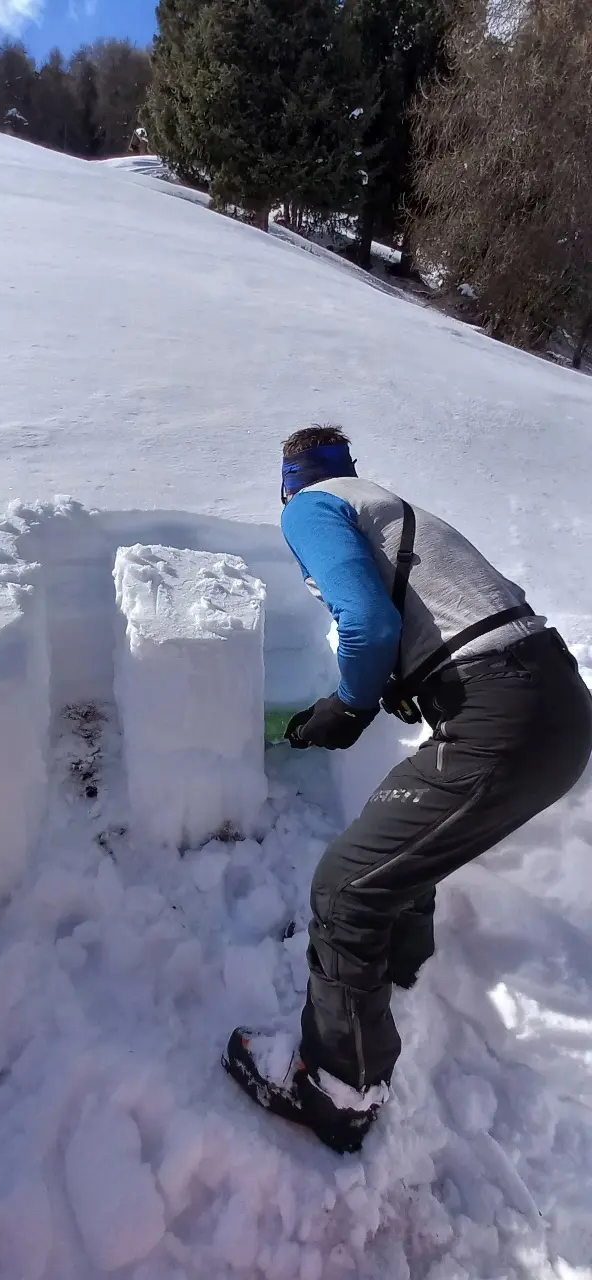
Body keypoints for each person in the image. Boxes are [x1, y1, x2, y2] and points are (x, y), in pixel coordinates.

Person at [223, 425, 592, 1154]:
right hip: (554, 700)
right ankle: (398, 966)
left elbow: (365, 621)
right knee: (394, 838)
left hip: (502, 713)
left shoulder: (311, 507)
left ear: (289, 478)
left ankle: (337, 1088)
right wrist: (407, 679)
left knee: (346, 888)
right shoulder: (391, 510)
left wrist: (352, 704)